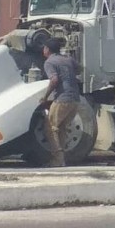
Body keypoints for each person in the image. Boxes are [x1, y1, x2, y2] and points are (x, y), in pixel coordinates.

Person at [40, 38, 81, 168]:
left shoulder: (49, 62)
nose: (43, 50)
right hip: (75, 99)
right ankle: (61, 160)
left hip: (62, 99)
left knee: (50, 128)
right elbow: (79, 70)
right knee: (61, 128)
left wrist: (45, 97)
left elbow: (54, 80)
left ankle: (57, 160)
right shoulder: (68, 59)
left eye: (44, 48)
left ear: (47, 49)